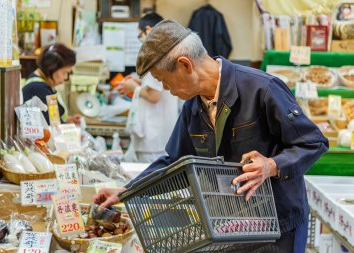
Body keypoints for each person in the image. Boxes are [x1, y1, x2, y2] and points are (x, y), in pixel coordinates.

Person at [94, 20, 328, 253]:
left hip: (279, 229)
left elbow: (313, 143)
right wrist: (125, 191)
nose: (165, 88)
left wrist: (272, 165)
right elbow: (175, 163)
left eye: (163, 79)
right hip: (229, 226)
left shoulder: (262, 89)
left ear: (185, 65)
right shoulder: (192, 107)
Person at [115, 13, 178, 163]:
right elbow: (159, 87)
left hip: (153, 138)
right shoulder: (167, 51)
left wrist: (133, 87)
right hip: (161, 135)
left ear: (148, 30)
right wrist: (138, 82)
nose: (140, 41)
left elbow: (154, 95)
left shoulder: (154, 54)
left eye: (139, 36)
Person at [22, 43, 80, 125]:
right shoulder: (37, 89)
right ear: (52, 67)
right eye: (64, 72)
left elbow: (52, 119)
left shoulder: (42, 85)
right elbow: (52, 127)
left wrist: (67, 120)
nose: (66, 77)